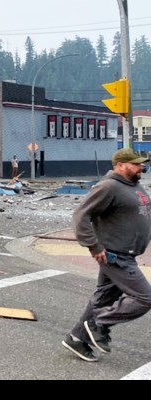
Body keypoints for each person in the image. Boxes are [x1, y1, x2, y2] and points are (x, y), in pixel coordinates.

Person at [61, 147, 151, 362]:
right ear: (120, 165)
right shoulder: (108, 187)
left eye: (142, 163)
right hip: (114, 254)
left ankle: (77, 338)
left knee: (103, 298)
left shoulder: (134, 185)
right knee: (145, 298)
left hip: (127, 252)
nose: (142, 167)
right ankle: (96, 324)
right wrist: (93, 245)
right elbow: (81, 215)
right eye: (136, 164)